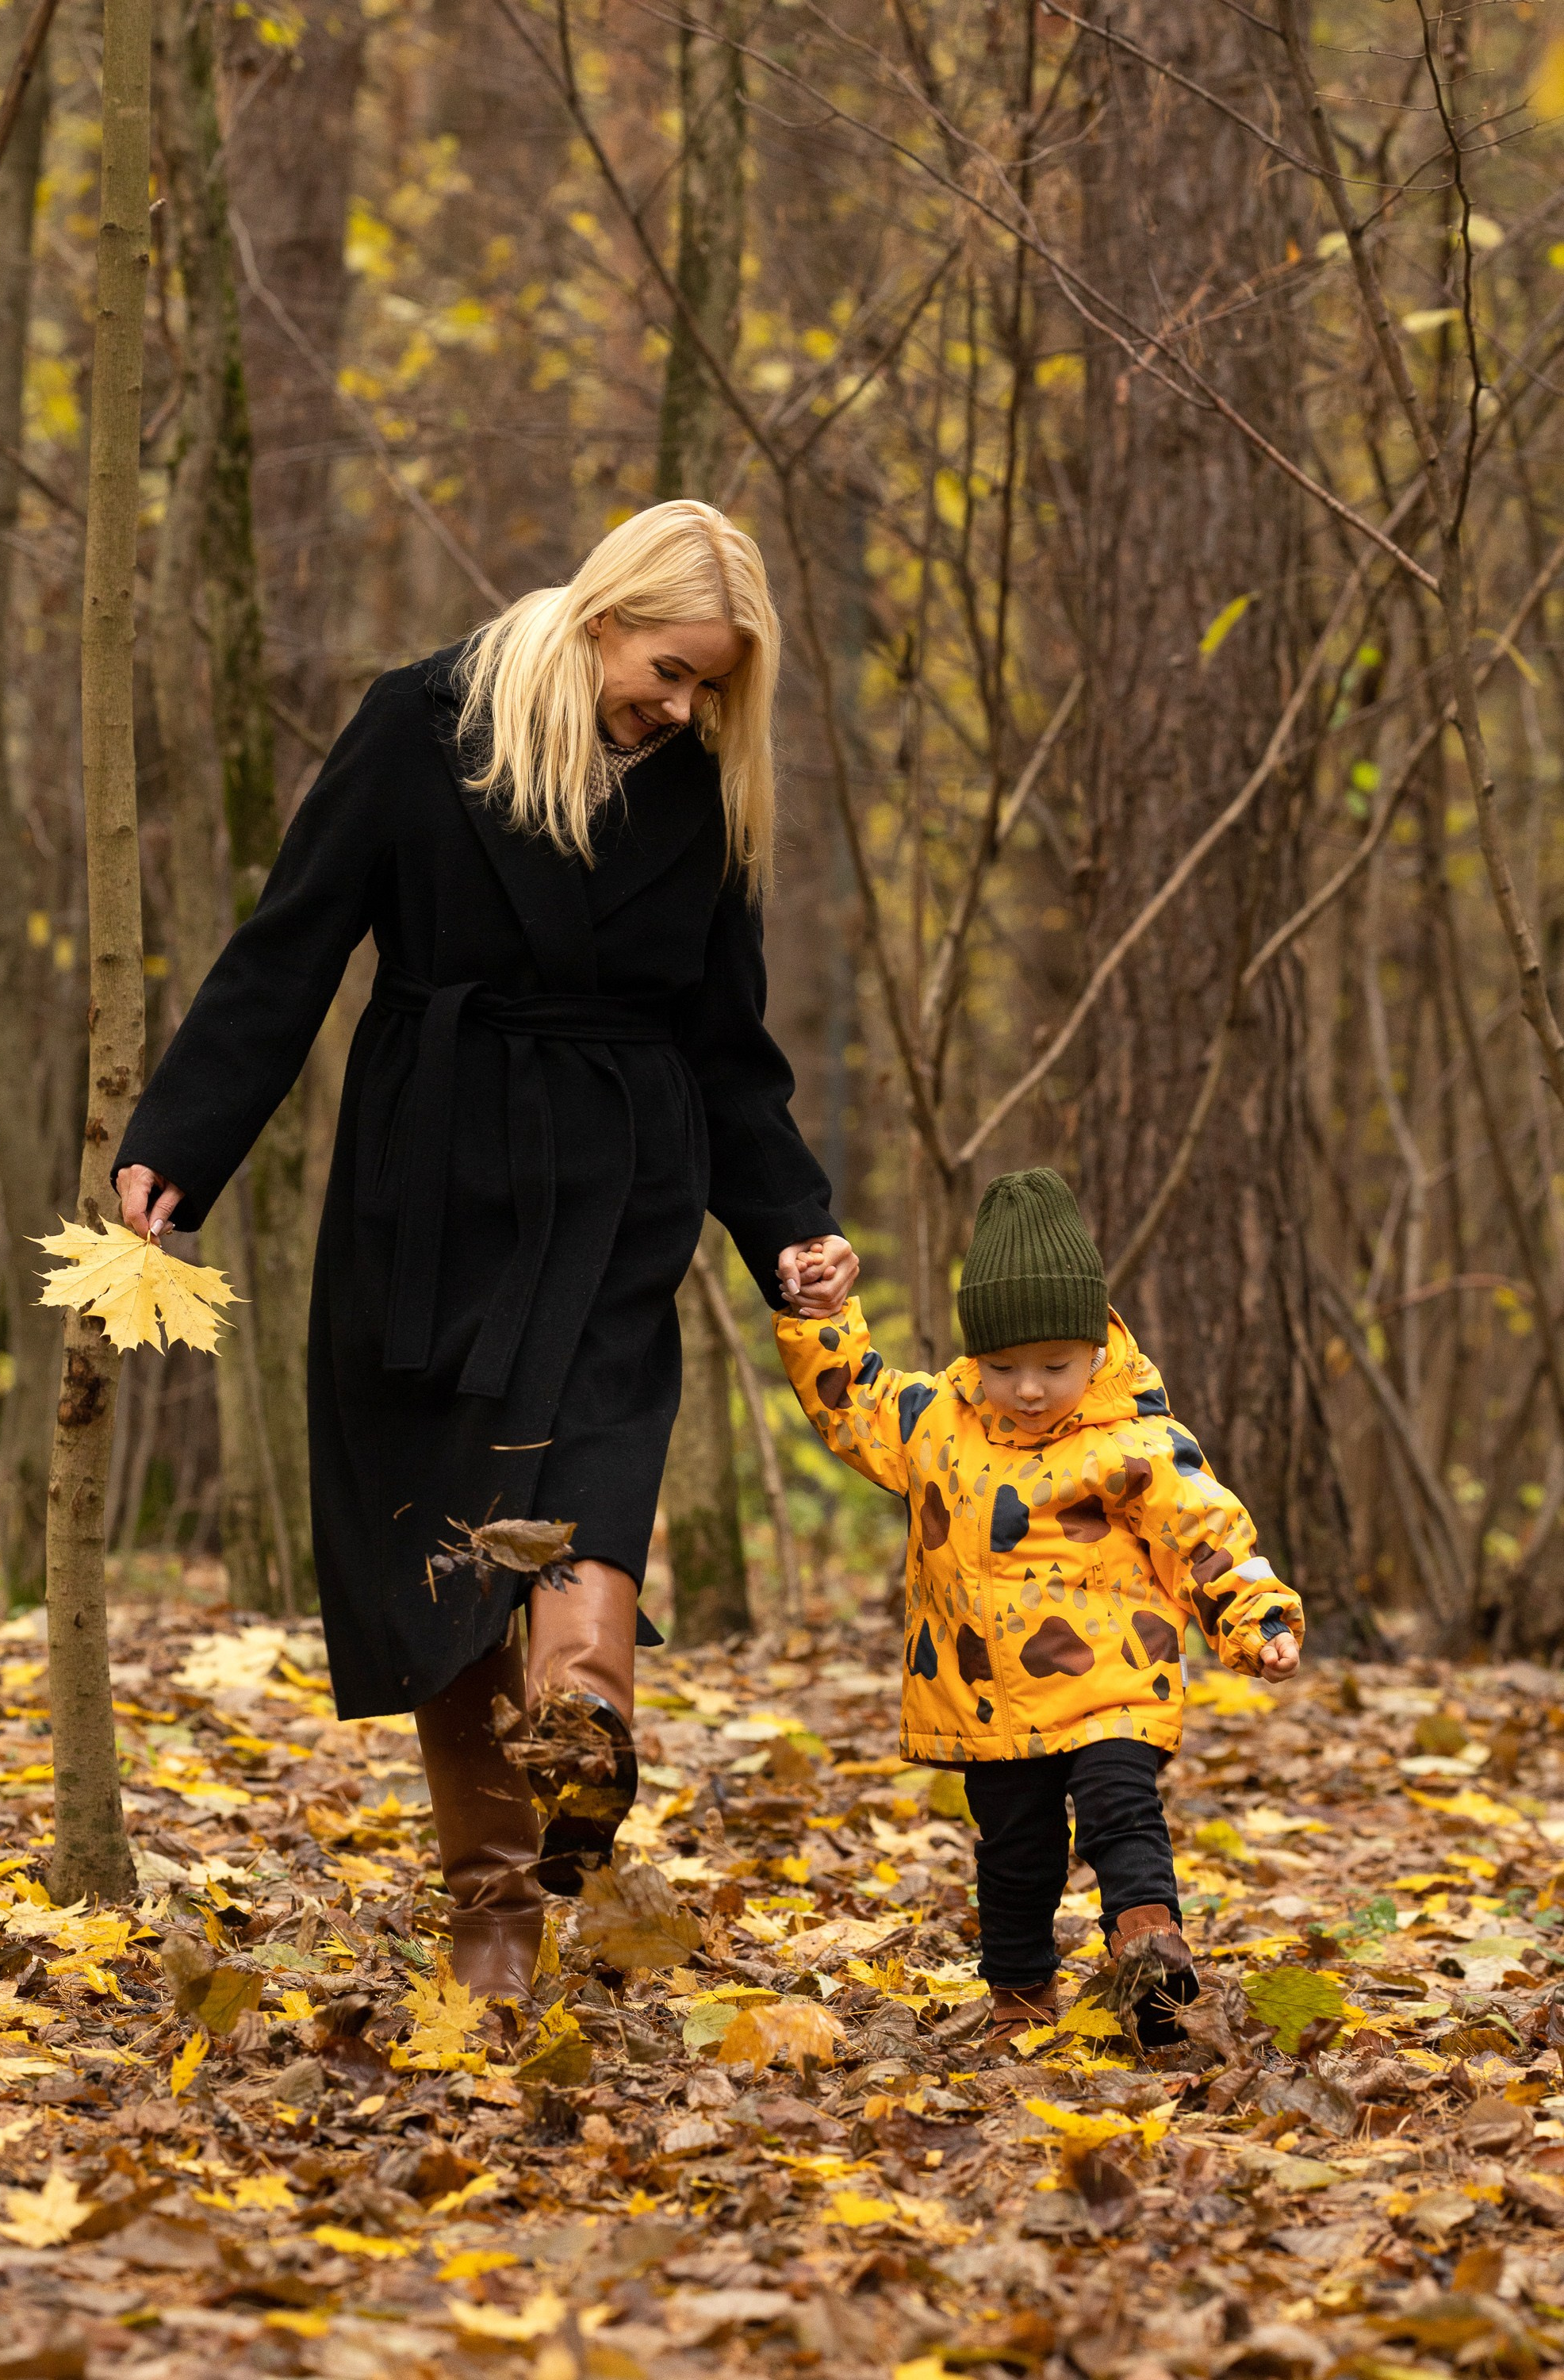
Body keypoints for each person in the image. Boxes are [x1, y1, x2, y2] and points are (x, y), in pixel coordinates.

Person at [114, 499, 858, 1998]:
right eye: (668, 667)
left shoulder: (709, 797)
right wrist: (182, 1141)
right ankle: (496, 1920)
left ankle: (584, 1718)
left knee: (590, 1456)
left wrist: (792, 1226)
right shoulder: (424, 724)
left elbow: (727, 1046)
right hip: (430, 1178)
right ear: (600, 615)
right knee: (447, 1536)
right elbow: (294, 942)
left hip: (617, 1180)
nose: (685, 704)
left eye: (712, 685)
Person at [776, 1168, 1302, 2049]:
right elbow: (851, 1402)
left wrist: (1256, 1619)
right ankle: (1019, 1995)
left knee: (1117, 1810)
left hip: (1112, 1682)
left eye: (1052, 1367)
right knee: (1014, 1851)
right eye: (1002, 1368)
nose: (1026, 1389)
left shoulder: (1134, 1439)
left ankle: (1149, 1953)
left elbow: (1205, 1536)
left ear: (1096, 1348)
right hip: (990, 1697)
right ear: (973, 1357)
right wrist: (822, 1318)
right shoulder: (934, 1421)